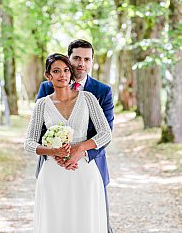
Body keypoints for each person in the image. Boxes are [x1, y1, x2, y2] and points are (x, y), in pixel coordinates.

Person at [24, 53, 112, 232]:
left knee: (85, 221)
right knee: (55, 222)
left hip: (84, 170)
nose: (62, 75)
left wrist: (80, 148)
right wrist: (53, 152)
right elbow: (29, 143)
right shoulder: (42, 104)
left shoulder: (88, 98)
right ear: (48, 76)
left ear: (71, 74)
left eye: (65, 70)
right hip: (52, 173)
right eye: (56, 71)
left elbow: (105, 133)